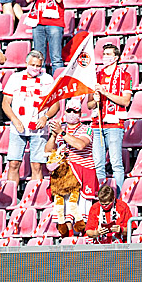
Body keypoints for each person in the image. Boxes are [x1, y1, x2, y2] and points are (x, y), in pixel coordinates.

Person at [3, 50, 58, 182]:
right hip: (18, 128)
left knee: (37, 165)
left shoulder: (48, 79)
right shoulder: (15, 78)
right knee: (13, 164)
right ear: (26, 63)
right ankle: (11, 197)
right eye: (32, 65)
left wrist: (45, 117)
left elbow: (55, 106)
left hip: (38, 129)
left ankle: (36, 197)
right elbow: (5, 103)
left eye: (38, 66)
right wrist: (15, 120)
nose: (35, 68)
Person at [44, 98, 97, 229]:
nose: (72, 113)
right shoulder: (61, 130)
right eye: (69, 110)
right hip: (64, 176)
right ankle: (67, 241)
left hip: (82, 174)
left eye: (75, 111)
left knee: (81, 212)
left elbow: (80, 145)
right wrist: (53, 136)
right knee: (65, 211)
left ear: (80, 114)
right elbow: (48, 151)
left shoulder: (87, 129)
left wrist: (62, 133)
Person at [87, 43, 133, 193]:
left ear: (116, 57)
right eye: (104, 54)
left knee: (116, 163)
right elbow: (89, 105)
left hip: (114, 124)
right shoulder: (96, 76)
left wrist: (105, 93)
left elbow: (125, 101)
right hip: (97, 124)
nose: (105, 57)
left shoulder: (125, 76)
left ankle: (118, 197)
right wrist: (95, 99)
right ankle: (102, 196)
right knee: (98, 164)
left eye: (108, 54)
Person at [29, 0, 65, 74]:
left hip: (55, 23)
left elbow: (59, 0)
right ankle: (40, 81)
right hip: (38, 22)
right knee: (38, 58)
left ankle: (58, 82)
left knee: (56, 58)